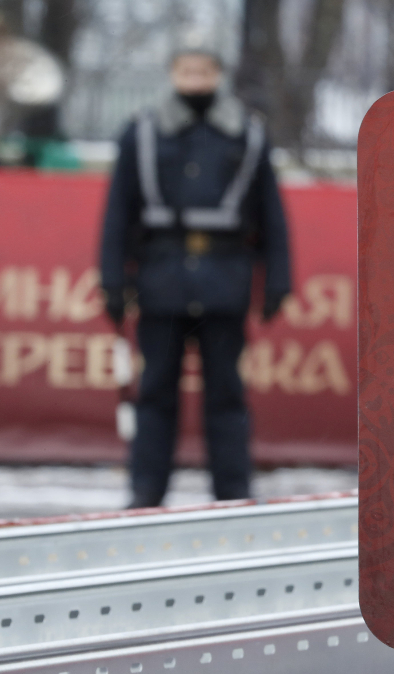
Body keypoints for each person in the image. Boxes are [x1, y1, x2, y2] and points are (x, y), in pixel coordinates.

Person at [99, 40, 291, 509]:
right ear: (172, 73)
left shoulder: (247, 133)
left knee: (226, 394)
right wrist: (111, 279)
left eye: (204, 71)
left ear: (218, 74)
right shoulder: (141, 132)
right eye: (187, 71)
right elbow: (117, 213)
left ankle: (233, 491)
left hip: (224, 283)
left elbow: (271, 214)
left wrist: (279, 278)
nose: (196, 80)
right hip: (161, 282)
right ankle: (146, 491)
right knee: (155, 392)